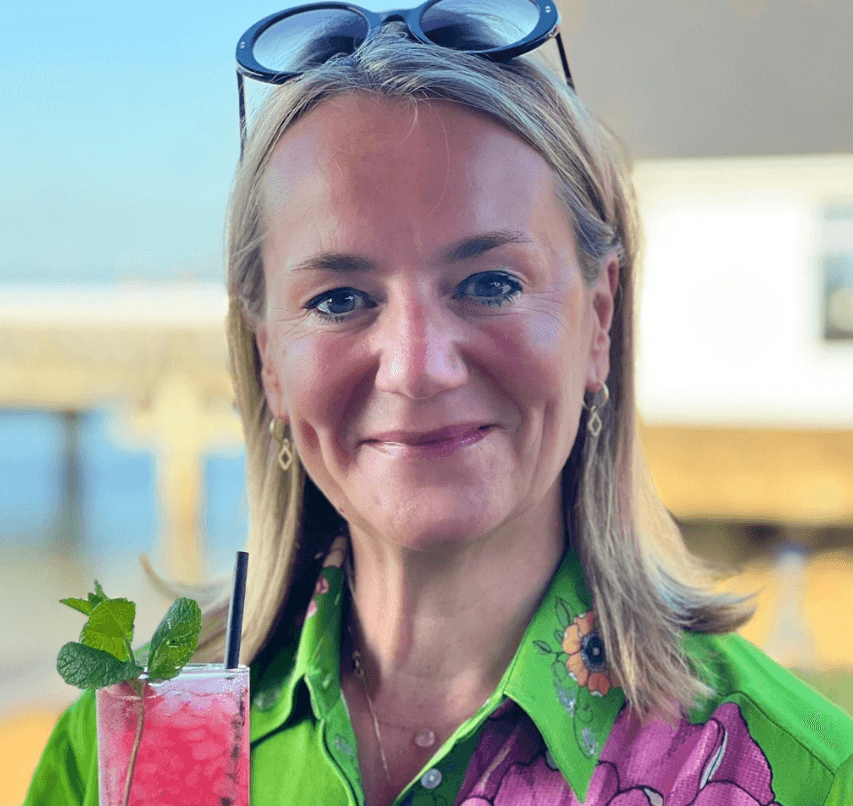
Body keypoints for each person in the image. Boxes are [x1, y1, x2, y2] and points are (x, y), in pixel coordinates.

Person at [26, 3, 853, 805]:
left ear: (597, 319)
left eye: (489, 283)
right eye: (339, 298)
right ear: (267, 358)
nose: (416, 367)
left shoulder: (811, 780)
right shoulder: (123, 756)